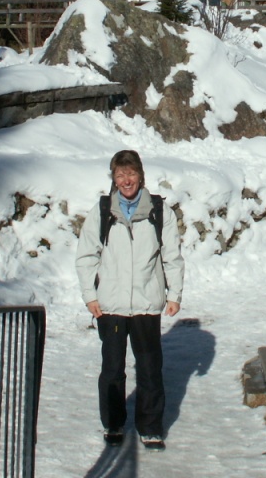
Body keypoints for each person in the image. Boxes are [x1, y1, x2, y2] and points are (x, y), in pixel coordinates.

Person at [75, 149, 184, 450]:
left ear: (140, 176)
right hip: (111, 305)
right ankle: (113, 423)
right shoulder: (103, 211)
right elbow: (86, 256)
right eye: (120, 174)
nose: (126, 180)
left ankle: (150, 427)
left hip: (146, 304)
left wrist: (174, 294)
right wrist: (90, 296)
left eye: (131, 173)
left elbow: (172, 256)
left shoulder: (159, 211)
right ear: (113, 178)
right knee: (112, 370)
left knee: (149, 369)